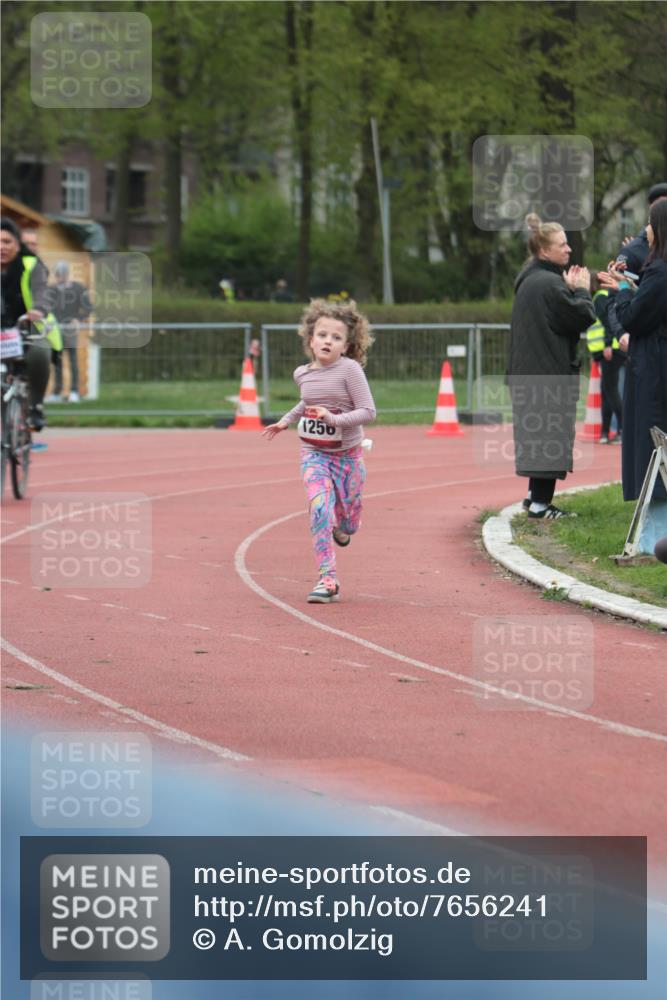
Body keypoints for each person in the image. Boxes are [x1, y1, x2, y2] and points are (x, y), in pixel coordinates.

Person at [262, 299, 376, 603]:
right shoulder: (302, 374)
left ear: (347, 345)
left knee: (348, 521)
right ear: (310, 340)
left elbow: (368, 411)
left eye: (336, 337)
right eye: (322, 335)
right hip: (314, 454)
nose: (328, 341)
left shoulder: (350, 370)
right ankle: (328, 579)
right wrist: (286, 421)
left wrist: (334, 419)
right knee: (320, 509)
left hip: (348, 456)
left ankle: (345, 528)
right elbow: (307, 401)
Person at [507, 213, 596, 519]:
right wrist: (582, 290)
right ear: (545, 251)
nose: (569, 249)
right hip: (547, 374)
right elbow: (581, 316)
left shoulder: (531, 279)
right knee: (550, 438)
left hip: (529, 372)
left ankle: (535, 498)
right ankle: (542, 505)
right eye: (562, 245)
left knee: (539, 437)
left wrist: (568, 289)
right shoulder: (548, 284)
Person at [598, 198, 667, 510]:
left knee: (651, 437)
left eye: (651, 224)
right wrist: (627, 285)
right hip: (654, 362)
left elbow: (634, 316)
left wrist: (621, 291)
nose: (646, 231)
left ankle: (656, 519)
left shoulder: (660, 270)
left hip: (654, 366)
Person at [1, 218, 61, 430]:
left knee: (39, 354)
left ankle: (35, 406)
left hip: (28, 329)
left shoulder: (32, 265)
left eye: (7, 241)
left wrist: (38, 310)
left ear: (17, 245)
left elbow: (43, 292)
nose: (2, 247)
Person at [585, 274, 625, 444]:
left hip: (611, 349)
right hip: (605, 351)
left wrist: (608, 344)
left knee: (611, 391)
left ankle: (623, 429)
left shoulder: (600, 298)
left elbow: (609, 322)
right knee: (606, 391)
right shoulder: (597, 298)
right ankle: (605, 431)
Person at [46, 261, 92, 402]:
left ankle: (74, 392)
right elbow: (46, 309)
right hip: (55, 330)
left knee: (73, 360)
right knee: (57, 361)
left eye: (62, 274)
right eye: (58, 275)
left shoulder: (78, 289)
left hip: (70, 330)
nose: (60, 277)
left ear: (67, 274)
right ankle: (56, 392)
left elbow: (89, 307)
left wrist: (78, 319)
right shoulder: (51, 290)